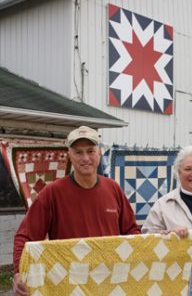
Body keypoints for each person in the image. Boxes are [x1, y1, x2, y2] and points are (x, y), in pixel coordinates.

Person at [13, 126, 140, 296]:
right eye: (78, 152)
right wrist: (19, 272)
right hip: (68, 285)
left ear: (99, 152)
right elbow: (26, 236)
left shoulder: (113, 189)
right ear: (69, 156)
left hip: (110, 283)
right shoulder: (53, 193)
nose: (85, 158)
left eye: (90, 151)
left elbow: (131, 232)